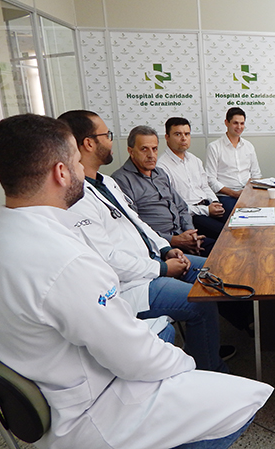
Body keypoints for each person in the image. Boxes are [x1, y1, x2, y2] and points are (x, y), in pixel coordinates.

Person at [0, 113, 273, 449]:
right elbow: (132, 355)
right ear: (61, 172)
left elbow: (135, 227)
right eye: (76, 161)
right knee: (245, 403)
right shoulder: (67, 260)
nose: (82, 169)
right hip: (94, 408)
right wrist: (188, 366)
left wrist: (165, 250)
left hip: (63, 382)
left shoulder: (7, 235)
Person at [61, 110, 233, 371]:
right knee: (200, 304)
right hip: (133, 283)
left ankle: (205, 346)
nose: (111, 140)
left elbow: (138, 223)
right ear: (88, 143)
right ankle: (211, 370)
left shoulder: (106, 182)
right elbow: (109, 260)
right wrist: (162, 268)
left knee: (216, 269)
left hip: (153, 259)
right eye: (107, 135)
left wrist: (165, 250)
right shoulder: (79, 196)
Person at [112, 125, 215, 256]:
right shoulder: (121, 180)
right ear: (131, 151)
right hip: (160, 247)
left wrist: (190, 233)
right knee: (216, 262)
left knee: (227, 250)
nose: (151, 155)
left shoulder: (160, 173)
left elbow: (182, 207)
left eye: (154, 149)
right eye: (144, 149)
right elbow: (133, 226)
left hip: (183, 236)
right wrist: (174, 240)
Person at [158, 117, 233, 241]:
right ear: (167, 137)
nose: (184, 138)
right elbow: (173, 207)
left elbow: (205, 186)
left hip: (208, 205)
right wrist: (206, 210)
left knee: (240, 223)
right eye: (178, 134)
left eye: (187, 134)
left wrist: (214, 202)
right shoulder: (162, 167)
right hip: (191, 215)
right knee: (228, 234)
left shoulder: (194, 160)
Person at [205, 107, 262, 206]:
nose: (239, 127)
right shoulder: (214, 147)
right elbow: (210, 179)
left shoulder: (248, 146)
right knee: (241, 212)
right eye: (235, 123)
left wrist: (251, 191)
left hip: (247, 193)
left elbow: (256, 174)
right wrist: (234, 194)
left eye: (242, 123)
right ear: (226, 123)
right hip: (226, 196)